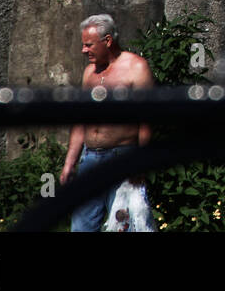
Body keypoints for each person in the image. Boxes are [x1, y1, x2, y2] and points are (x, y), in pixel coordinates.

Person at [59, 14, 155, 231]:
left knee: (123, 224)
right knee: (81, 226)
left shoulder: (136, 68)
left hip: (122, 159)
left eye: (89, 45)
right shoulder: (88, 73)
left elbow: (147, 119)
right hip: (90, 159)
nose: (84, 51)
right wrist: (69, 163)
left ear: (108, 41)